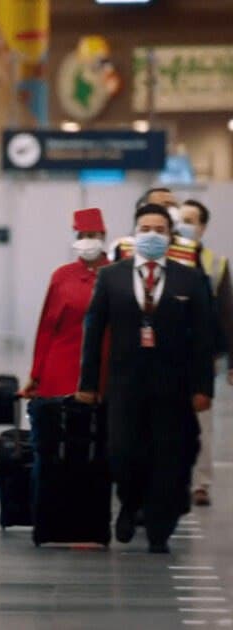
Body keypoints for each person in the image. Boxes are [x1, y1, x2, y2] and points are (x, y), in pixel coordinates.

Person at [77, 203, 214, 554]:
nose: (151, 235)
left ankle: (159, 528)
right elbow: (94, 333)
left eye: (159, 229)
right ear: (135, 234)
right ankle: (130, 501)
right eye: (145, 228)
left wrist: (203, 387)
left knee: (168, 457)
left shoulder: (190, 278)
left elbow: (202, 337)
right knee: (123, 452)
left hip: (174, 385)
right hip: (124, 384)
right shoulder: (113, 276)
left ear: (170, 237)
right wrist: (88, 384)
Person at [21, 208, 110, 400]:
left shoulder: (117, 274)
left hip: (105, 365)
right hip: (63, 364)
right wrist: (36, 373)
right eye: (82, 235)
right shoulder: (62, 276)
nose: (87, 240)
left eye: (92, 235)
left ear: (103, 235)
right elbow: (46, 327)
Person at [178, 199, 233, 507]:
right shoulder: (166, 257)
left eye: (192, 220)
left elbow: (227, 313)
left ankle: (201, 483)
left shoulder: (214, 263)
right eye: (181, 219)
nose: (186, 225)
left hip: (202, 357)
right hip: (167, 356)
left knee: (203, 423)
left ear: (203, 227)